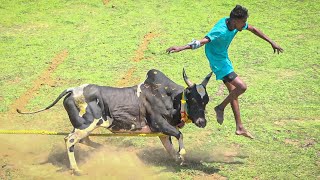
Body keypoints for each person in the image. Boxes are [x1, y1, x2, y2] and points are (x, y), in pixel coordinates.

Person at [166, 5, 283, 139]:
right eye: (243, 22)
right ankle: (220, 107)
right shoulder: (220, 30)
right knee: (241, 87)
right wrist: (180, 48)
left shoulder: (234, 24)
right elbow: (202, 42)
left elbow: (254, 29)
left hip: (224, 58)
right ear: (235, 20)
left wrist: (272, 42)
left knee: (234, 92)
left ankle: (239, 127)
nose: (245, 25)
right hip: (218, 62)